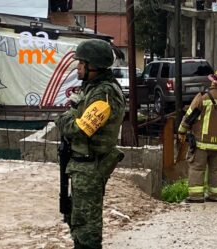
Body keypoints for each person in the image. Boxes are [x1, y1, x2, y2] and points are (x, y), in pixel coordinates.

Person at [55, 39, 125, 248]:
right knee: (77, 219)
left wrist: (63, 120)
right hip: (83, 165)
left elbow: (82, 128)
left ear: (93, 66)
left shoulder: (103, 94)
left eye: (81, 63)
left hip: (90, 166)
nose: (78, 67)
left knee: (86, 227)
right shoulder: (93, 88)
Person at [178, 69, 217, 203]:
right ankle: (215, 195)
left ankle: (196, 196)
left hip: (202, 143)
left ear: (213, 81)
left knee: (197, 168)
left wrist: (181, 131)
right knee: (216, 170)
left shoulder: (203, 97)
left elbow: (189, 116)